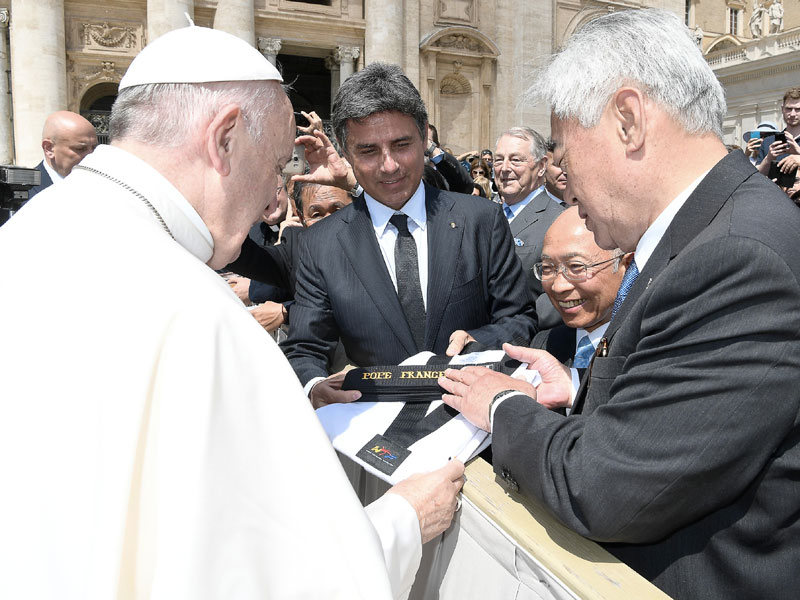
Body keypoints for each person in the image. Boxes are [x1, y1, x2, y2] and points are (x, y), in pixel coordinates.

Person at [0, 26, 466, 600]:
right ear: (223, 139)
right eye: (275, 166)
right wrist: (403, 522)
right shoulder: (196, 311)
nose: (275, 198)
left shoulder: (27, 234)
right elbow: (273, 580)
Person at [438, 9, 800, 599]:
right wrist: (579, 393)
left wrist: (503, 406)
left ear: (627, 120)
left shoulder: (734, 258)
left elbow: (609, 491)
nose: (565, 181)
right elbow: (690, 418)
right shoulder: (712, 230)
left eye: (564, 150)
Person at [283, 62, 537, 408]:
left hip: (471, 425)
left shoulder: (481, 220)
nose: (389, 165)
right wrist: (314, 386)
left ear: (424, 139)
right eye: (369, 151)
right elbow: (305, 348)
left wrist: (476, 341)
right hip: (371, 429)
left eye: (401, 145)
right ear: (346, 153)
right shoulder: (321, 245)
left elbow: (520, 319)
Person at [531, 206, 628, 369]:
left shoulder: (650, 348)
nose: (558, 286)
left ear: (627, 266)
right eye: (548, 268)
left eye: (576, 267)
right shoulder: (545, 345)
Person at [494, 126, 565, 329]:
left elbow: (561, 293)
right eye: (499, 160)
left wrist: (513, 328)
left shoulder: (559, 220)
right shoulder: (482, 217)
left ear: (542, 166)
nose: (505, 168)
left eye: (516, 160)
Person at [28, 110, 98, 198]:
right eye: (80, 149)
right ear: (49, 148)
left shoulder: (102, 189)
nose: (91, 155)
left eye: (94, 148)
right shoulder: (23, 193)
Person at [755, 87, 800, 175]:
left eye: (798, 109)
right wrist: (769, 158)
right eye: (789, 109)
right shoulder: (768, 142)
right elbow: (756, 177)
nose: (792, 114)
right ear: (782, 109)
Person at [543, 138, 568, 203]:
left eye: (570, 165)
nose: (565, 172)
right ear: (543, 167)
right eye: (558, 164)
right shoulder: (530, 206)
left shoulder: (589, 206)